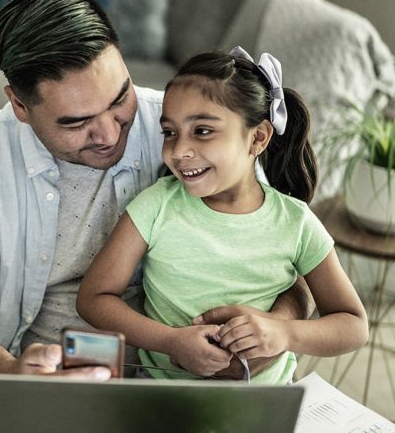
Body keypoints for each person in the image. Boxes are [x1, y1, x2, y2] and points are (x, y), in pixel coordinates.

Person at [0, 0, 312, 390]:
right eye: (76, 122)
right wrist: (9, 374)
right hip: (41, 379)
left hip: (185, 384)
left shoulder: (193, 132)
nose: (108, 134)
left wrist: (273, 332)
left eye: (120, 99)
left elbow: (290, 266)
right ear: (20, 106)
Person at [77, 48, 369, 383]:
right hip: (162, 393)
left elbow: (353, 324)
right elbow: (94, 298)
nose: (179, 150)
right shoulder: (156, 205)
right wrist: (170, 341)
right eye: (169, 132)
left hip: (264, 401)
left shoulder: (296, 222)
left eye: (202, 131)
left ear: (257, 137)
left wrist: (284, 333)